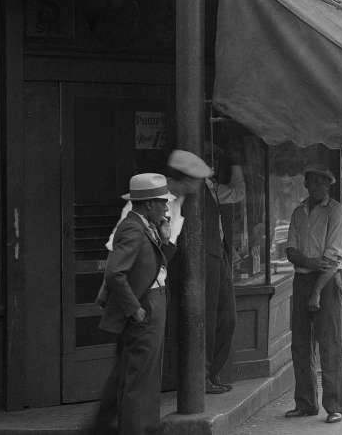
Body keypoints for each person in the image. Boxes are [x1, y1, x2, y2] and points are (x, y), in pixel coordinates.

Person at [104, 149, 246, 394]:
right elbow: (116, 262)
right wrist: (131, 305)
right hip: (142, 292)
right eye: (194, 181)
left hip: (156, 289)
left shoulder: (177, 205)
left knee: (138, 371)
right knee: (135, 370)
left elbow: (165, 250)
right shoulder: (144, 210)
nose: (197, 187)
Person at [91, 173, 177, 435]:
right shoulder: (131, 227)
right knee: (140, 380)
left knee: (148, 378)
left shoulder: (145, 225)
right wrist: (135, 309)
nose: (166, 208)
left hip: (153, 302)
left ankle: (146, 429)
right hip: (145, 306)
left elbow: (156, 264)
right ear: (148, 203)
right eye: (162, 202)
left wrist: (164, 239)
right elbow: (115, 272)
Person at [283, 164, 342, 424]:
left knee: (330, 344)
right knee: (300, 344)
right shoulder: (299, 212)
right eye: (314, 182)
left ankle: (335, 405)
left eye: (324, 182)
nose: (319, 186)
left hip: (328, 283)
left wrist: (317, 292)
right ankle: (306, 403)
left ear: (329, 186)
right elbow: (290, 251)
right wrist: (310, 263)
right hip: (301, 280)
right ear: (306, 184)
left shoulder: (336, 212)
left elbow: (332, 258)